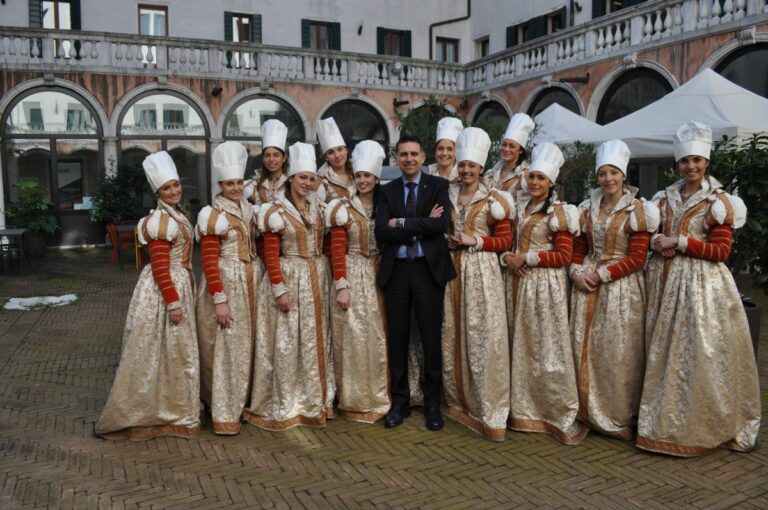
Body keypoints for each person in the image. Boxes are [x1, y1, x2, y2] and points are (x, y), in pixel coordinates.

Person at [637, 121, 760, 456]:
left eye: (696, 160)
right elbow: (650, 235)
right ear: (677, 163)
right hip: (662, 283)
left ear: (706, 162)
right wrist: (656, 242)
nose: (690, 166)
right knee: (661, 351)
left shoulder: (719, 202)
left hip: (700, 288)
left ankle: (694, 424)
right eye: (685, 161)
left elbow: (721, 251)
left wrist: (679, 242)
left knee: (696, 354)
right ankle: (659, 418)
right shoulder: (663, 198)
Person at [96, 151, 200, 440]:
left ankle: (174, 406)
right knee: (163, 350)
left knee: (173, 352)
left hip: (179, 284)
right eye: (166, 188)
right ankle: (157, 411)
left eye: (175, 185)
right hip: (166, 291)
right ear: (157, 193)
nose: (174, 191)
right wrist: (173, 302)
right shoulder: (159, 222)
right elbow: (160, 267)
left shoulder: (177, 215)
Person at [569, 139, 659, 440]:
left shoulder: (638, 210)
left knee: (618, 352)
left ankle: (616, 414)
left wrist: (602, 274)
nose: (608, 179)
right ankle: (586, 410)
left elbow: (637, 257)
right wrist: (575, 272)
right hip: (586, 283)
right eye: (603, 173)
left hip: (621, 289)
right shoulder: (586, 208)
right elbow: (579, 248)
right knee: (584, 349)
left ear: (624, 175)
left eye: (613, 173)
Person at [245, 142, 335, 430]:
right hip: (289, 277)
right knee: (286, 341)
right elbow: (270, 253)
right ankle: (286, 402)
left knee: (314, 340)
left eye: (311, 178)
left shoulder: (319, 208)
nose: (307, 183)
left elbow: (327, 245)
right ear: (291, 178)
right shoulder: (276, 210)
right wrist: (279, 288)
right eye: (302, 178)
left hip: (317, 278)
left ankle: (314, 401)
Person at [501, 142, 586, 445]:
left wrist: (528, 258)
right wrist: (508, 258)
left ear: (551, 182)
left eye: (541, 178)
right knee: (519, 345)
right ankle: (520, 407)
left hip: (544, 288)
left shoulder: (560, 213)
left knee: (544, 347)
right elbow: (508, 244)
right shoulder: (518, 207)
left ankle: (549, 410)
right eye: (532, 176)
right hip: (516, 284)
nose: (534, 182)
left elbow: (564, 256)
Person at [375, 135, 455, 430]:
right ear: (397, 159)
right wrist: (422, 223)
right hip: (396, 271)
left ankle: (432, 403)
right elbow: (382, 231)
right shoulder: (387, 190)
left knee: (431, 338)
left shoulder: (438, 186)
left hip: (427, 270)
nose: (409, 159)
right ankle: (400, 402)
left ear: (423, 158)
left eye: (413, 154)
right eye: (403, 154)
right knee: (398, 338)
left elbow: (441, 224)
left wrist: (403, 222)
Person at [442, 127, 514, 441]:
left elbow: (506, 240)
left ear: (481, 167)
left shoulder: (495, 199)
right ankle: (457, 400)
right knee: (453, 331)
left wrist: (476, 241)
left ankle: (488, 407)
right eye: (462, 165)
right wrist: (447, 239)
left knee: (483, 335)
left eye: (471, 165)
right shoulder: (446, 193)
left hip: (482, 272)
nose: (466, 170)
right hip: (452, 270)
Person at [195, 141, 260, 435]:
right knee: (227, 347)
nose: (235, 188)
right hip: (227, 283)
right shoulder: (213, 214)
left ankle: (244, 401)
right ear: (220, 185)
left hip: (252, 282)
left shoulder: (250, 209)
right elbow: (209, 260)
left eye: (239, 182)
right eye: (229, 183)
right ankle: (224, 408)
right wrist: (219, 299)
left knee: (248, 345)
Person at [325, 140, 390, 423]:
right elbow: (337, 248)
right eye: (359, 175)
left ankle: (379, 394)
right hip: (352, 271)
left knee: (378, 335)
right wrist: (341, 284)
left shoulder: (386, 204)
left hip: (379, 272)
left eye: (368, 176)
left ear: (376, 178)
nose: (363, 180)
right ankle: (354, 397)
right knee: (352, 335)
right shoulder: (342, 207)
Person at [483, 113, 534, 195]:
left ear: (521, 150)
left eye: (512, 146)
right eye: (504, 145)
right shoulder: (493, 172)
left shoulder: (526, 175)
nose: (506, 149)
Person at [245, 119, 289, 206]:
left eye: (276, 155)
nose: (271, 159)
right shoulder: (253, 185)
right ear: (263, 158)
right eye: (267, 155)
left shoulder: (292, 183)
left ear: (284, 158)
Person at [316, 116, 355, 202]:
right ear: (326, 157)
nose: (337, 155)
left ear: (346, 150)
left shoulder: (357, 173)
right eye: (331, 152)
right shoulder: (321, 180)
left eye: (340, 149)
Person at [427, 116, 463, 183]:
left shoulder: (463, 177)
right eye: (440, 148)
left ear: (456, 151)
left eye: (450, 149)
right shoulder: (426, 174)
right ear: (435, 150)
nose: (444, 153)